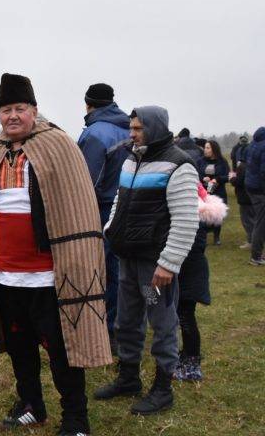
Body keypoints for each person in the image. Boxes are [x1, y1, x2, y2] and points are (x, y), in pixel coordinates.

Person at [0, 74, 111, 436]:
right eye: (6, 109)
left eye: (19, 108)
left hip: (50, 274)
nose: (12, 116)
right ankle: (31, 404)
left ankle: (75, 418)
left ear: (34, 110)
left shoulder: (58, 144)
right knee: (19, 346)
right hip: (5, 274)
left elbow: (77, 204)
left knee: (61, 349)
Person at [95, 106, 199, 415]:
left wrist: (168, 264)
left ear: (153, 128)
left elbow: (185, 220)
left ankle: (163, 386)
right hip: (127, 259)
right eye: (131, 127)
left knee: (161, 322)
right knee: (126, 319)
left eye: (138, 128)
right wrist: (110, 230)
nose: (132, 133)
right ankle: (128, 376)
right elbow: (119, 200)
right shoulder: (132, 159)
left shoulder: (179, 165)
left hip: (154, 269)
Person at [76, 83, 130, 353]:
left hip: (103, 210)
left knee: (105, 270)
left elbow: (86, 181)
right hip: (131, 207)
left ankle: (110, 331)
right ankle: (128, 324)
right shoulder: (130, 128)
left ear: (88, 104)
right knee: (125, 269)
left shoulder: (95, 134)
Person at [175, 183, 226, 381]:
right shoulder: (194, 217)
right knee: (179, 316)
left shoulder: (193, 222)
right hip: (185, 274)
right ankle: (185, 354)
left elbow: (189, 252)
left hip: (188, 276)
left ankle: (192, 360)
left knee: (185, 317)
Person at [201, 140, 229, 245]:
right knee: (204, 215)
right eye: (205, 147)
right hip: (205, 192)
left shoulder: (223, 162)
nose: (205, 150)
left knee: (217, 216)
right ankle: (203, 235)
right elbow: (196, 174)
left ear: (214, 149)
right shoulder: (201, 161)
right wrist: (203, 178)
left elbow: (228, 176)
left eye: (208, 148)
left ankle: (216, 237)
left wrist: (217, 179)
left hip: (219, 192)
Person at [245, 126, 265, 266]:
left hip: (251, 186)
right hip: (260, 189)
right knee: (260, 222)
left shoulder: (254, 143)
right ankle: (256, 256)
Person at [231, 151, 255, 248]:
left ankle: (251, 241)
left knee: (247, 220)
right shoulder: (253, 165)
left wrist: (232, 178)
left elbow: (238, 181)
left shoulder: (242, 167)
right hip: (253, 196)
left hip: (244, 197)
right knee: (255, 218)